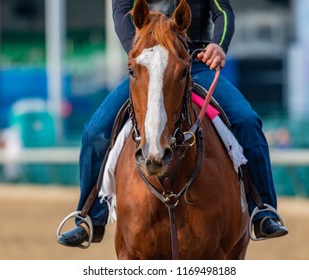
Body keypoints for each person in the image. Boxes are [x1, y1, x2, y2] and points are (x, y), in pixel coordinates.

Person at [57, 0, 288, 247]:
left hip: (194, 61)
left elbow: (222, 12)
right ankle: (90, 216)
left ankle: (262, 210)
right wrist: (139, 48)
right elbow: (121, 11)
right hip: (148, 62)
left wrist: (219, 46)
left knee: (246, 120)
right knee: (95, 132)